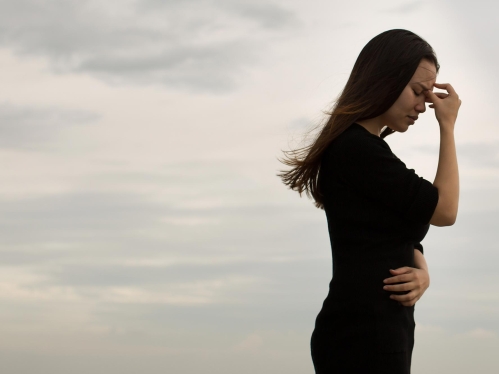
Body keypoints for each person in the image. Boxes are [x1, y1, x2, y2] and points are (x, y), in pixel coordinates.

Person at [278, 29, 461, 373]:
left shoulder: (362, 149)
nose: (423, 106)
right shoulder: (356, 149)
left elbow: (388, 227)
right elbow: (445, 210)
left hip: (373, 331)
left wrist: (420, 266)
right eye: (418, 92)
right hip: (363, 336)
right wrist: (447, 126)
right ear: (386, 80)